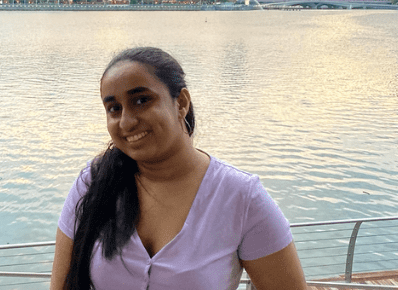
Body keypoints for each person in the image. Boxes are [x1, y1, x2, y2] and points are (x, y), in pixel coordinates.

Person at [50, 47, 307, 290]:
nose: (127, 121)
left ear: (181, 102)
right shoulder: (92, 184)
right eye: (114, 108)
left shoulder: (241, 198)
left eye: (141, 100)